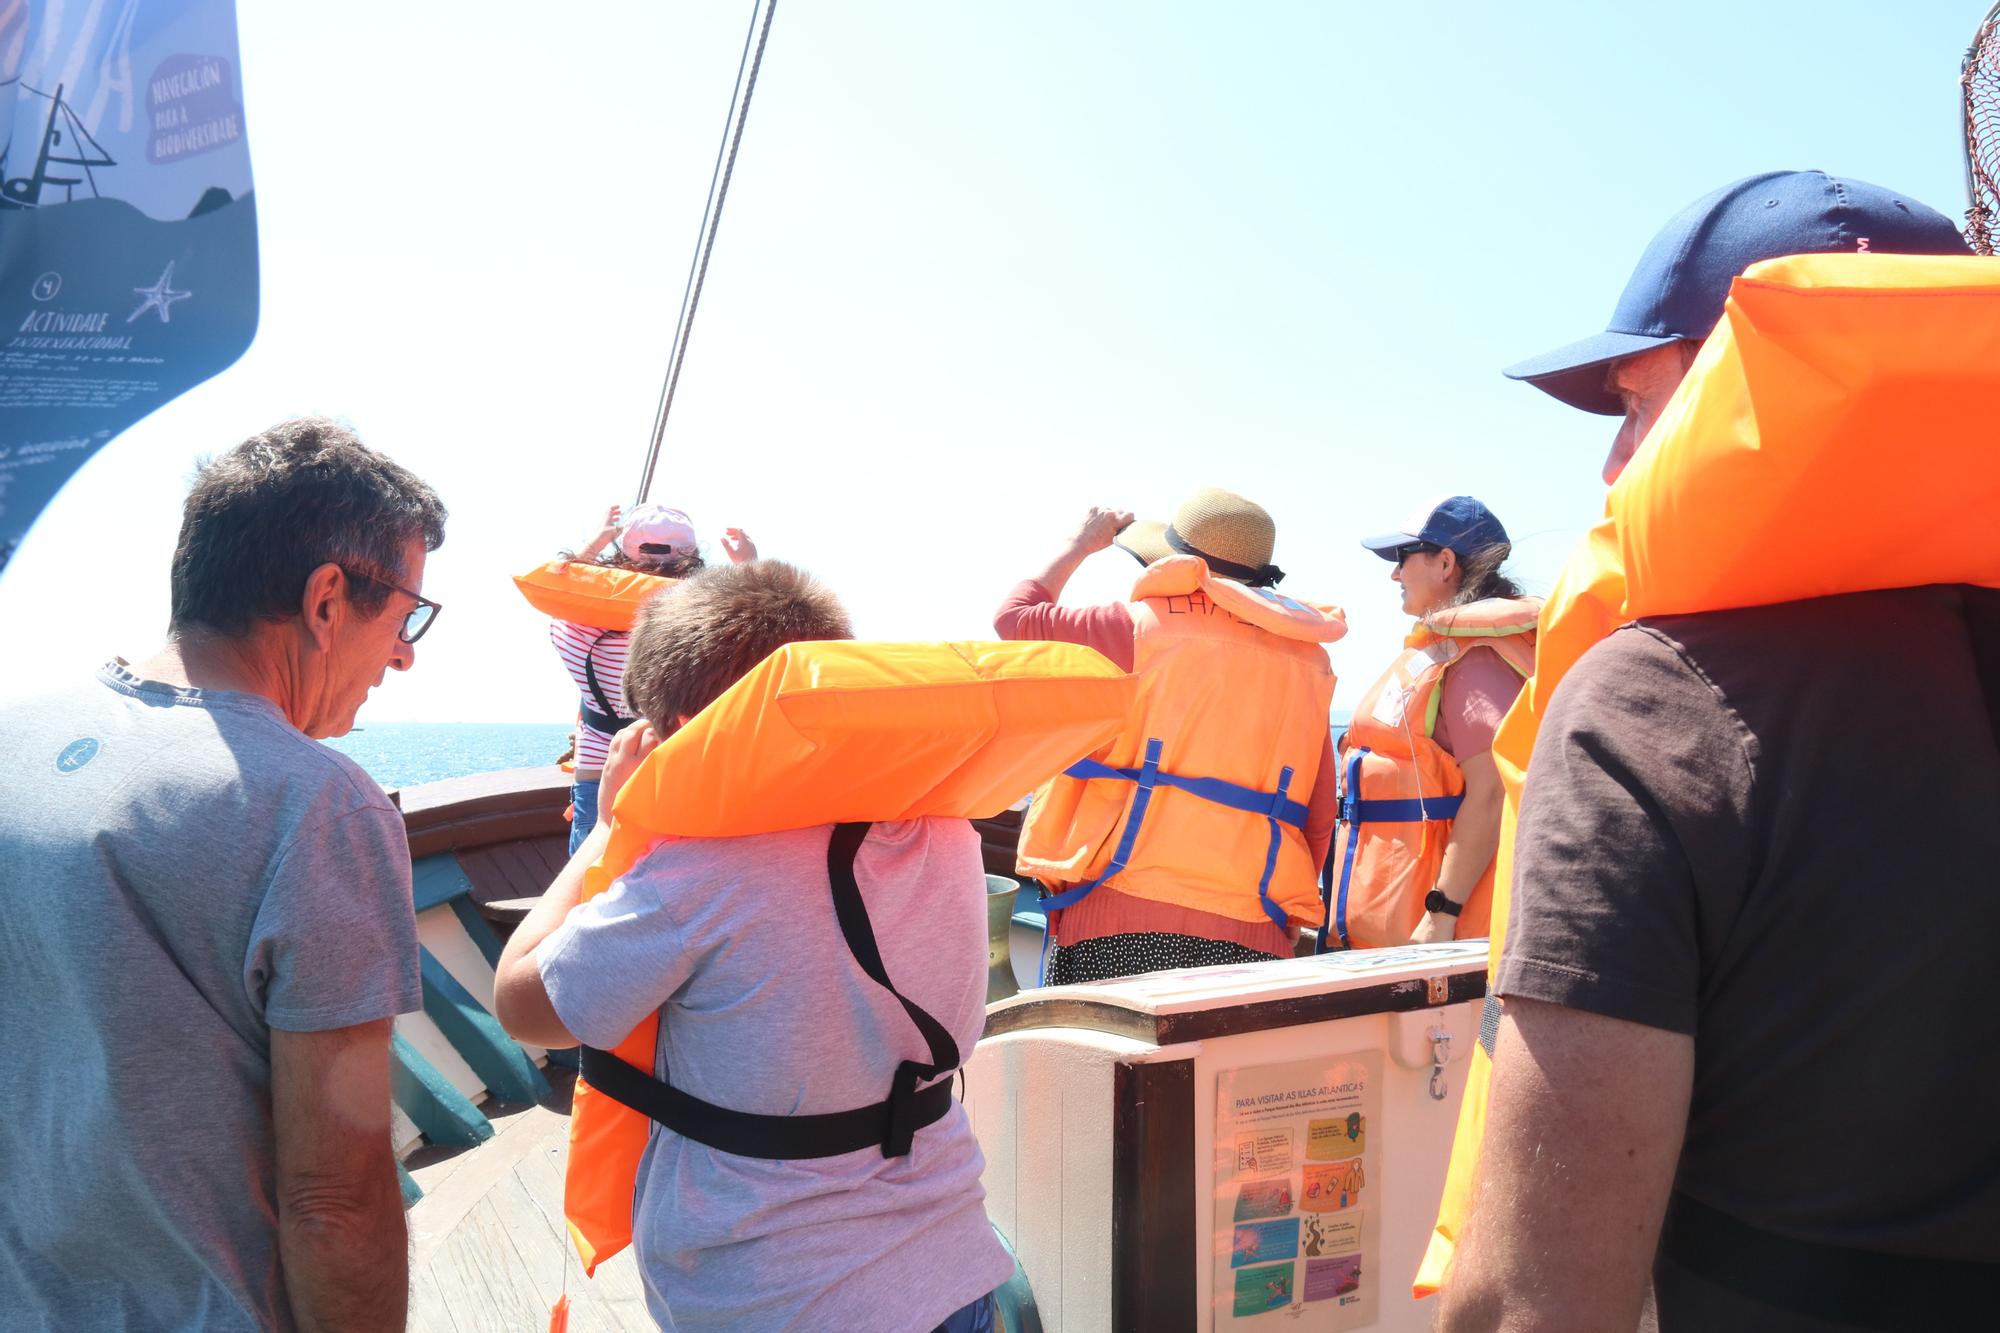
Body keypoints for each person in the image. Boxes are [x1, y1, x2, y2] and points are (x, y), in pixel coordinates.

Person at [1434, 173, 1999, 1330]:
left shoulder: (1649, 709)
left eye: (1636, 408)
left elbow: (1533, 1308)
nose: (1609, 468)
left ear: (1748, 394)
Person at [0, 418, 446, 1331]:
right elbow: (334, 1198)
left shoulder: (18, 741)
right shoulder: (317, 808)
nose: (404, 653)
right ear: (327, 598)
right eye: (408, 615)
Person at [494, 561, 1011, 1333]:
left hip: (769, 1298)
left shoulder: (694, 874)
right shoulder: (945, 831)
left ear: (674, 738)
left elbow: (526, 1005)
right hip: (952, 1265)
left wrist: (612, 826)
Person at [998, 489, 1345, 982]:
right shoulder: (1312, 660)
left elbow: (1014, 619)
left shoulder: (1134, 628)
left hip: (1116, 915)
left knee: (1101, 1058)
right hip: (1256, 929)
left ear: (1176, 562)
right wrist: (1289, 910)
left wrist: (1078, 545)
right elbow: (1318, 811)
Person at [1326, 496, 1535, 950]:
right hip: (1404, 940)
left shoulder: (1476, 659)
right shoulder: (1449, 652)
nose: (1394, 574)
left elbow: (1494, 790)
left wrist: (1442, 913)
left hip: (1446, 945)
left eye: (1403, 558)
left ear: (1445, 563)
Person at [547, 502, 756, 851]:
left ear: (624, 557)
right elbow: (761, 626)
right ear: (692, 562)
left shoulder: (574, 627)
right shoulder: (707, 627)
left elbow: (558, 585)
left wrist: (594, 545)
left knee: (591, 883)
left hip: (600, 776)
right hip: (679, 772)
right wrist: (749, 566)